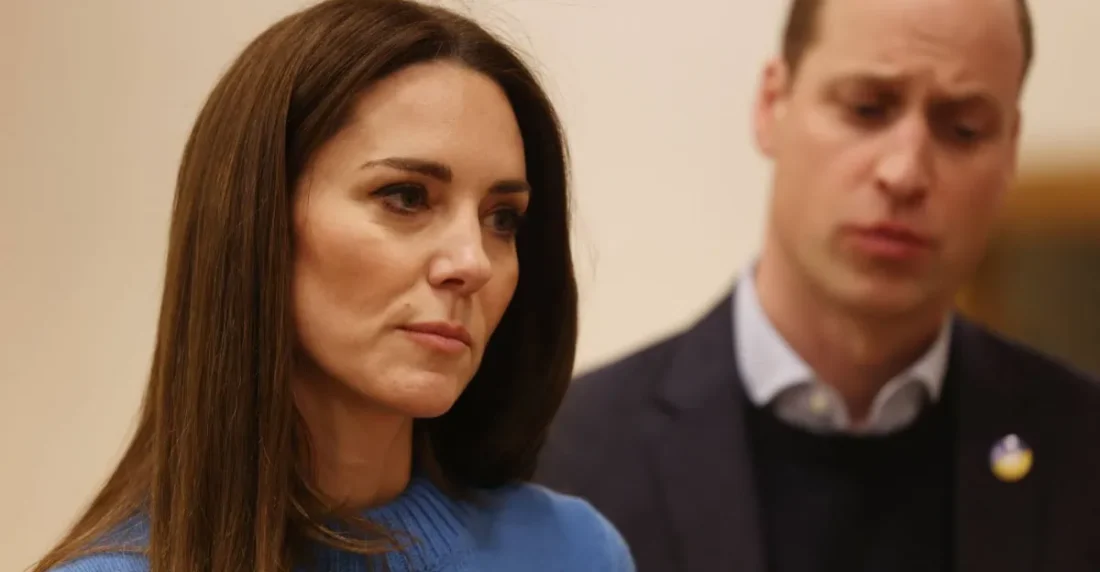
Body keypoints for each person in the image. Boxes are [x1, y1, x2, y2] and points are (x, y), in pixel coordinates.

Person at [33, 1, 635, 571]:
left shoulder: (575, 551)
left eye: (502, 219)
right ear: (259, 219)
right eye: (406, 197)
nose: (472, 261)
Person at [536, 0, 1100, 570]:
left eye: (963, 129)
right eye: (866, 108)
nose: (904, 172)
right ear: (771, 104)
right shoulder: (563, 459)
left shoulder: (1083, 453)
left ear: (1009, 150)